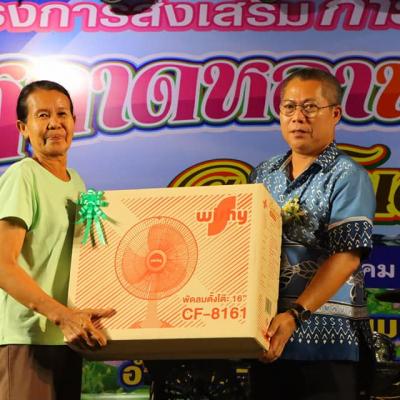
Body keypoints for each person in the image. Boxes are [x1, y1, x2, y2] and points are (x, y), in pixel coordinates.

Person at [249, 68, 376, 399]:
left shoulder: (348, 176)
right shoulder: (263, 174)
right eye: (289, 107)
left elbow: (347, 257)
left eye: (309, 107)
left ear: (335, 114)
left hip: (327, 342)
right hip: (266, 336)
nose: (298, 117)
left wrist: (295, 315)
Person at [0, 80, 115, 400]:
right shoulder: (23, 175)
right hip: (27, 339)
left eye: (62, 114)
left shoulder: (77, 182)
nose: (54, 123)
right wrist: (61, 315)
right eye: (42, 115)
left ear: (74, 122)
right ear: (23, 128)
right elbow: (3, 266)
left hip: (67, 338)